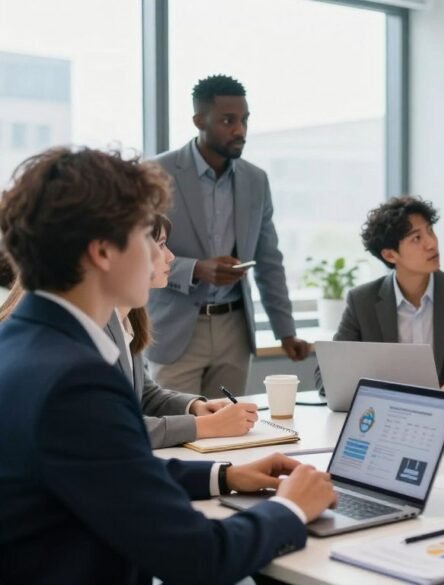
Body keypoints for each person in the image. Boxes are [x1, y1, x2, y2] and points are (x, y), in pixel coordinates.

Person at [0, 146, 336, 584]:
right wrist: (290, 507)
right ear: (103, 251)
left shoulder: (19, 342)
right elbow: (198, 559)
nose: (163, 255)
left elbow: (108, 471)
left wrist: (225, 475)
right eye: (148, 238)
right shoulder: (75, 382)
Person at [147, 74, 309, 399]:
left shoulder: (256, 180)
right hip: (174, 327)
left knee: (229, 437)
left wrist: (286, 331)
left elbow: (268, 260)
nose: (240, 130)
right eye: (227, 120)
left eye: (244, 120)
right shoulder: (156, 174)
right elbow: (138, 250)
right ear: (198, 121)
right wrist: (196, 269)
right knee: (175, 432)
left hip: (234, 328)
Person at [317, 196, 444, 399]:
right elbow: (327, 375)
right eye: (416, 238)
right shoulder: (362, 301)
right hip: (388, 416)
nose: (431, 243)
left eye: (430, 231)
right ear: (390, 255)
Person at [108, 215, 259, 448]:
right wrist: (208, 426)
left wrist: (196, 407)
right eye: (160, 245)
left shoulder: (128, 318)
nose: (170, 257)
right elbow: (116, 429)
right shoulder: (97, 329)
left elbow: (145, 395)